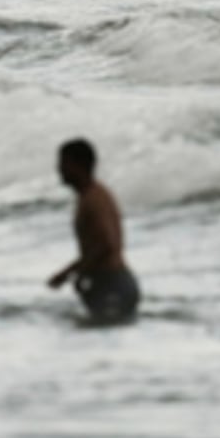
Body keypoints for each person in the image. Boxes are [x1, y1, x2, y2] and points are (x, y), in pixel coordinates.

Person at [47, 138, 140, 323]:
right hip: (109, 283)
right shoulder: (90, 196)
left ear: (77, 165)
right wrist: (73, 273)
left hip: (112, 284)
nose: (58, 169)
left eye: (63, 163)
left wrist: (73, 273)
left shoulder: (94, 199)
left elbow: (107, 244)